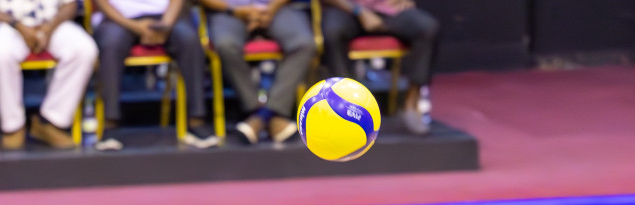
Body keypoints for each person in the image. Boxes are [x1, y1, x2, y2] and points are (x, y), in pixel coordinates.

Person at [92, 0, 217, 150]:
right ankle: (110, 125)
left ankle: (197, 120)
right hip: (118, 19)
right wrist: (136, 27)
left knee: (189, 40)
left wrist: (166, 24)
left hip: (167, 16)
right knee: (111, 44)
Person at [0, 0, 96, 149]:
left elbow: (71, 5)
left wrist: (49, 28)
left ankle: (51, 123)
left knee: (84, 50)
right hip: (5, 23)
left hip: (52, 23)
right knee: (1, 54)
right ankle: (13, 126)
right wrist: (17, 26)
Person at [199, 0, 316, 144]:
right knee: (225, 44)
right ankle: (259, 111)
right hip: (229, 10)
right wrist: (234, 10)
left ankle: (262, 117)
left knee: (304, 44)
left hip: (279, 7)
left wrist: (271, 8)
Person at [318, 0, 436, 134]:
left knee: (428, 28)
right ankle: (345, 106)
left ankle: (411, 104)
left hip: (389, 11)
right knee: (332, 31)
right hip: (347, 10)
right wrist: (359, 11)